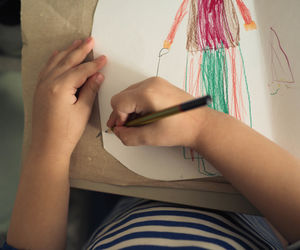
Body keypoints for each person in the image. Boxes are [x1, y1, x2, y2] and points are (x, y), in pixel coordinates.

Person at [2, 37, 300, 249]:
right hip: (255, 207)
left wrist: (48, 149)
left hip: (112, 213)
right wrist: (202, 126)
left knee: (99, 191)